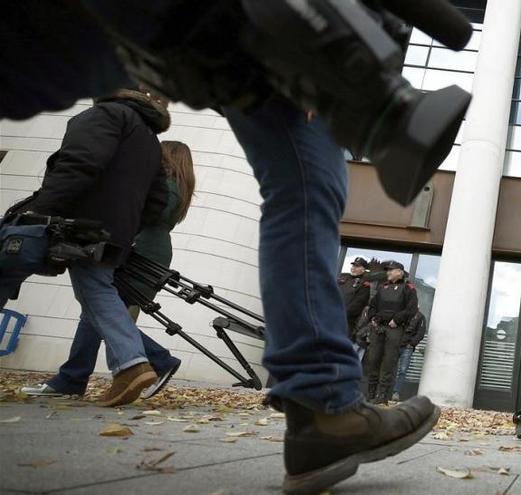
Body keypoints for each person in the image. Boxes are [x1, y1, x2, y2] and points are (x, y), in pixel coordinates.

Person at [1, 5, 443, 494]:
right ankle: (323, 407)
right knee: (303, 180)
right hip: (202, 31)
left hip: (211, 40)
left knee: (307, 177)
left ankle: (324, 407)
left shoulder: (126, 114)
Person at [0, 87, 171, 406]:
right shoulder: (150, 140)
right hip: (114, 230)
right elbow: (157, 199)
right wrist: (127, 227)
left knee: (7, 265)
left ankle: (131, 365)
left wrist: (40, 210)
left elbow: (79, 163)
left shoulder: (103, 115)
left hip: (75, 222)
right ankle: (132, 364)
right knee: (96, 288)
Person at [20, 140, 196, 400]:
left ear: (167, 158)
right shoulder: (176, 186)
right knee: (96, 312)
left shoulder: (166, 186)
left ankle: (157, 360)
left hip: (141, 251)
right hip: (148, 250)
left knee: (101, 310)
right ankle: (73, 378)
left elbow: (149, 211)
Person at [362, 261, 418, 404]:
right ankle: (370, 394)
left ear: (400, 272)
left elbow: (411, 309)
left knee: (388, 363)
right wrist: (373, 318)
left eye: (391, 270)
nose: (388, 273)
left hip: (395, 329)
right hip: (378, 327)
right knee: (373, 360)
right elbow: (372, 305)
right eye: (388, 270)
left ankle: (382, 396)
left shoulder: (408, 288)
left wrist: (397, 320)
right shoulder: (382, 287)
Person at [391, 310, 426, 401]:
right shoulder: (401, 314)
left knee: (402, 370)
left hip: (407, 347)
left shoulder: (420, 317)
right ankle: (384, 391)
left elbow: (420, 333)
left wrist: (411, 344)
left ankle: (396, 392)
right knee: (388, 368)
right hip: (395, 345)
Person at [337, 257, 372, 341]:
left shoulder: (364, 284)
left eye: (357, 266)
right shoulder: (343, 278)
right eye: (353, 266)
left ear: (363, 270)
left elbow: (358, 304)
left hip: (346, 321)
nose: (353, 268)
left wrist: (340, 314)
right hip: (330, 317)